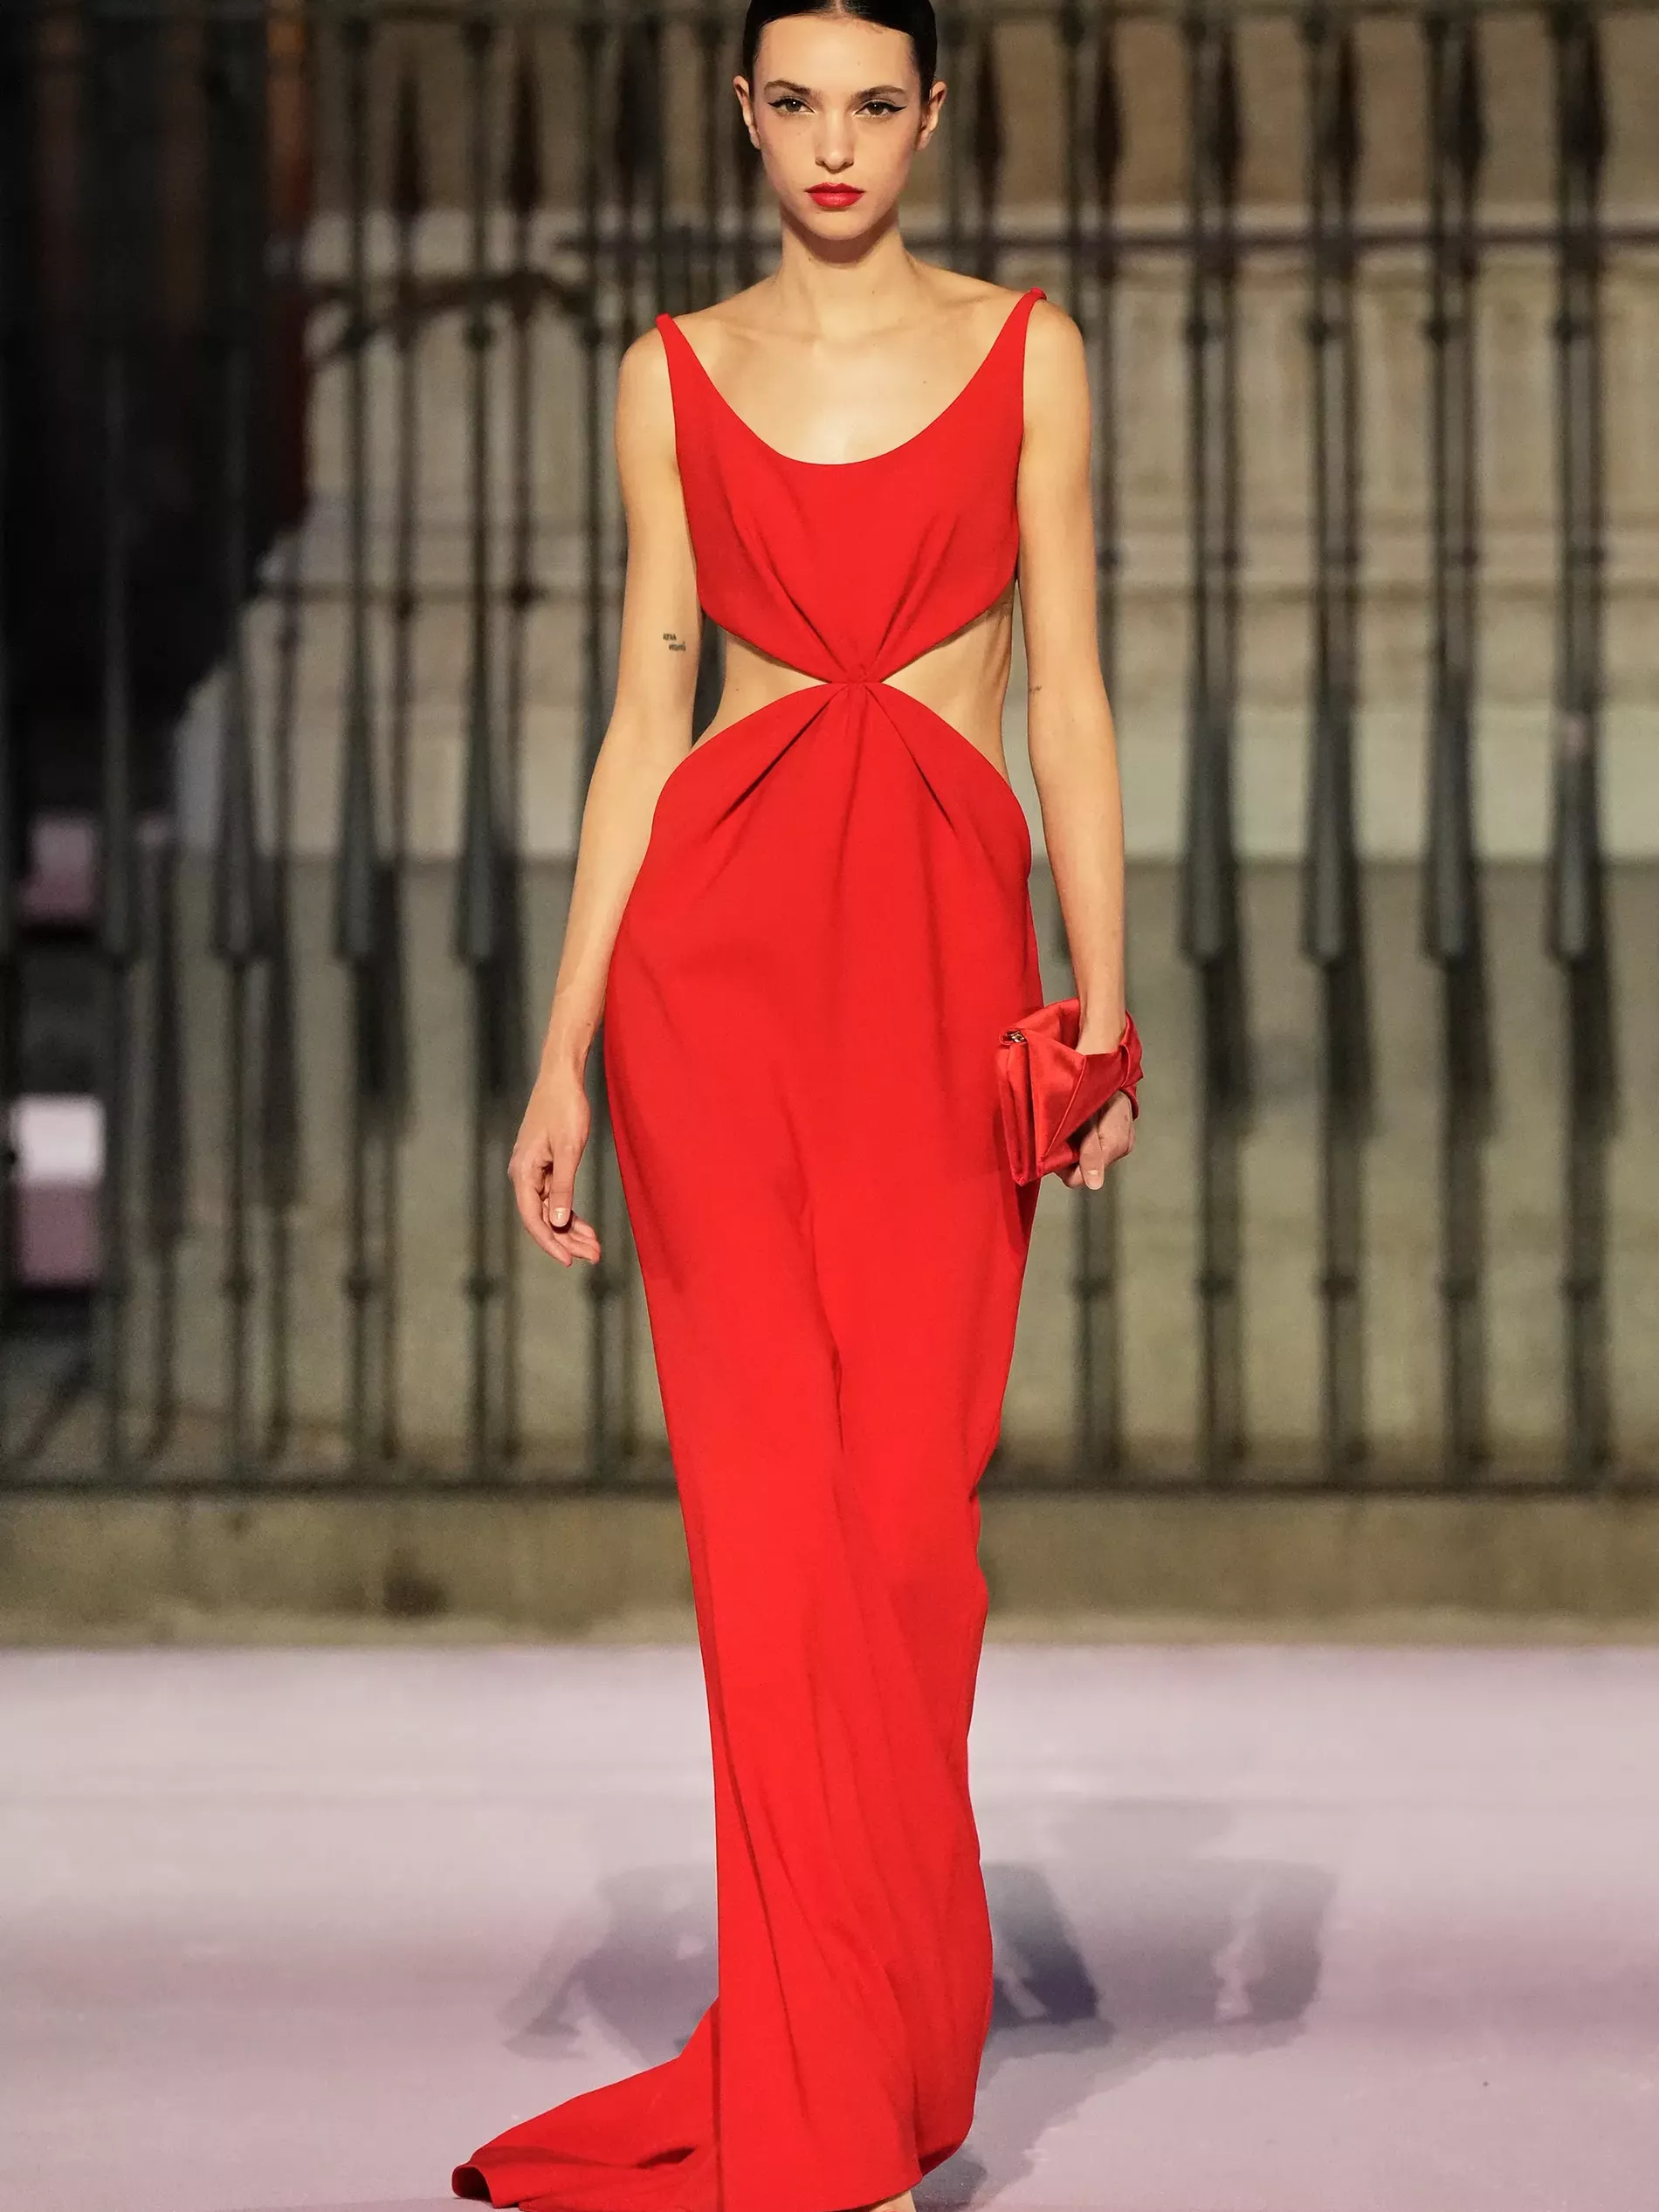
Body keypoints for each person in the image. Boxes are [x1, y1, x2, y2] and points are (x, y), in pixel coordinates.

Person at [452, 3, 1134, 2208]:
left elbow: (1070, 694)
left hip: (937, 970)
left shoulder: (1026, 354)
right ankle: (832, 2094)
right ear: (741, 114)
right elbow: (645, 710)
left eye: (873, 104)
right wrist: (563, 1046)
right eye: (794, 104)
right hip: (713, 976)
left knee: (903, 1527)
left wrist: (1102, 1006)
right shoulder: (667, 374)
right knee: (769, 1538)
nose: (833, 144)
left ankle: (892, 2020)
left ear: (929, 116)